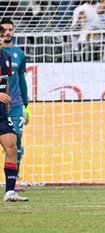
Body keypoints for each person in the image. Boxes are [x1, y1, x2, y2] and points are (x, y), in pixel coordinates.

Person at [1, 19, 31, 193]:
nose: (7, 33)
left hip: (15, 105)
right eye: (4, 30)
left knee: (16, 142)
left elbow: (21, 80)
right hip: (0, 105)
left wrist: (26, 105)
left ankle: (13, 183)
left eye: (10, 30)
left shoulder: (19, 54)